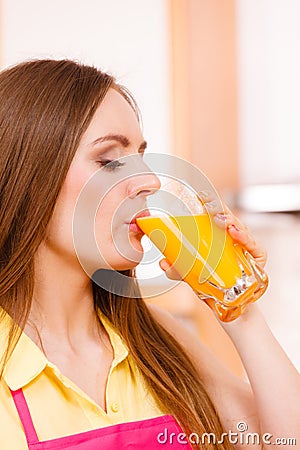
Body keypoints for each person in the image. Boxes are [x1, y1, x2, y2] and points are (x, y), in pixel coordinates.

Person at [0, 59, 299, 450]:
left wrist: (239, 308)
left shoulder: (152, 336)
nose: (149, 180)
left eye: (140, 155)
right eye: (109, 160)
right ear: (30, 178)